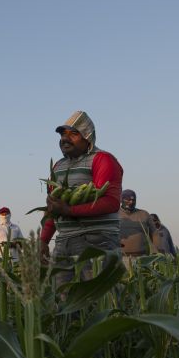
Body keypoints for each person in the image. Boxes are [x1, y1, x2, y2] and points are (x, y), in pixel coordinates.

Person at [38, 110, 123, 281]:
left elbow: (111, 202)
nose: (65, 138)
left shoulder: (102, 159)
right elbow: (53, 208)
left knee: (99, 299)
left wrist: (69, 210)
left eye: (73, 133)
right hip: (64, 242)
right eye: (63, 134)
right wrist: (44, 240)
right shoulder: (58, 167)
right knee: (63, 299)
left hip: (97, 241)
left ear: (88, 137)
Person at [118, 189, 157, 265]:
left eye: (133, 200)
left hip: (142, 258)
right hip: (121, 258)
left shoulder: (144, 214)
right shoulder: (114, 214)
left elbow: (155, 233)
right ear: (121, 200)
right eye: (128, 199)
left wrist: (156, 252)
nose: (131, 202)